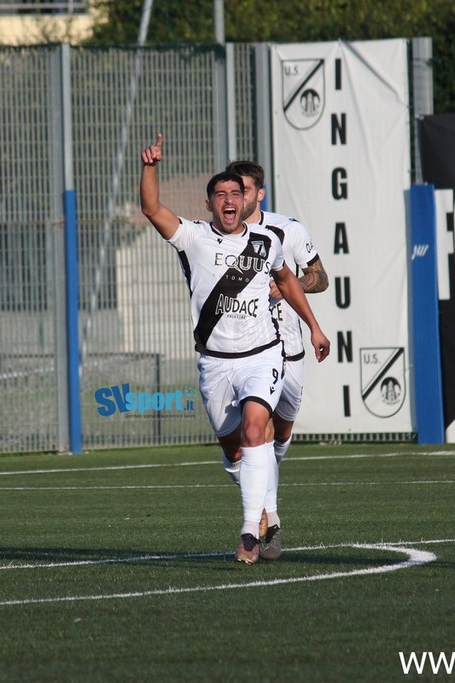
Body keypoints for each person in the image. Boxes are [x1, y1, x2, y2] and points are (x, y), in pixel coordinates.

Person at [140, 134, 331, 564]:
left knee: (255, 429)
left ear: (247, 199)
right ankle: (263, 509)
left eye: (235, 192)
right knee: (235, 451)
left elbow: (288, 282)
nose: (229, 199)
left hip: (264, 354)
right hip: (215, 363)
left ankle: (249, 530)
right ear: (209, 204)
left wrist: (315, 328)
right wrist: (150, 168)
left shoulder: (268, 240)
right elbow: (151, 208)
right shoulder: (192, 237)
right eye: (220, 194)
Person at [226, 160, 329, 561]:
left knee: (280, 434)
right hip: (251, 351)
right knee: (256, 432)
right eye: (233, 191)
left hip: (291, 347)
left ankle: (265, 506)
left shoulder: (287, 230)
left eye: (245, 190)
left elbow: (320, 276)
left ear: (260, 193)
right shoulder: (219, 237)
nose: (238, 198)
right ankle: (266, 519)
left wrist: (290, 285)